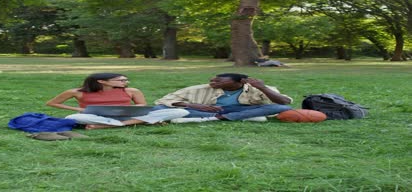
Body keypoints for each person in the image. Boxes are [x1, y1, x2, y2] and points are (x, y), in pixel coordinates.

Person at [46, 73, 188, 130]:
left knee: (181, 111)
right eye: (121, 80)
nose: (125, 82)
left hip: (127, 115)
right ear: (102, 81)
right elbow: (52, 103)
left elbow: (142, 105)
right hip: (96, 116)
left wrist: (132, 109)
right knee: (73, 118)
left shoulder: (132, 90)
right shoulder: (76, 92)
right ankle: (140, 122)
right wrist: (79, 109)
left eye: (125, 80)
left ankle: (115, 125)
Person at [153, 73, 292, 123]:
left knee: (281, 108)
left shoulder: (258, 88)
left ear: (240, 82)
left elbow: (284, 102)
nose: (212, 83)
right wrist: (194, 106)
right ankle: (239, 117)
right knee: (159, 109)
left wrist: (263, 88)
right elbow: (162, 101)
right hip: (208, 111)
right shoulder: (200, 88)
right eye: (213, 80)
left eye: (219, 81)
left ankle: (225, 118)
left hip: (240, 109)